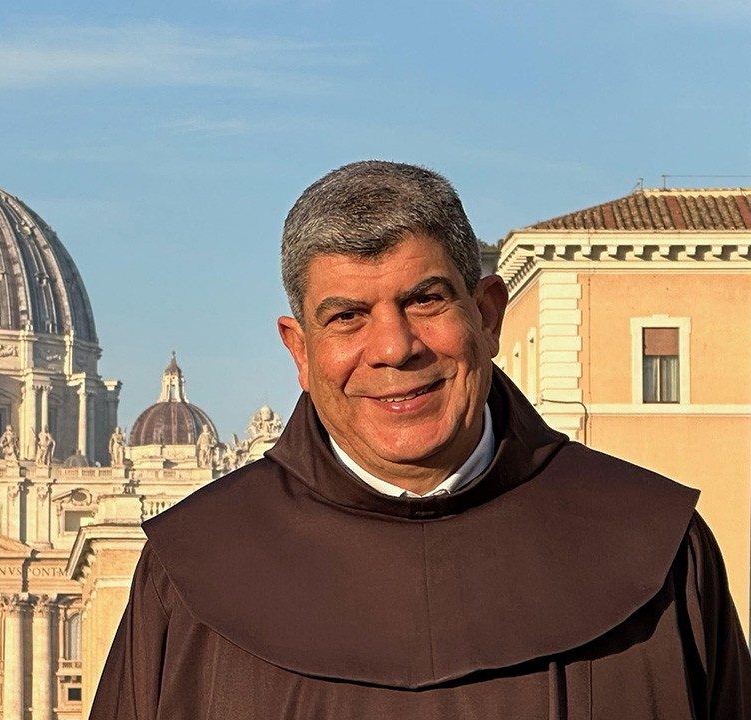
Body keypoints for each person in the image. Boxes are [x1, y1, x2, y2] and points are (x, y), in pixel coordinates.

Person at [90, 161, 750, 718]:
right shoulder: (188, 573)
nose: (394, 347)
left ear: (487, 316)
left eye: (425, 301)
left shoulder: (659, 549)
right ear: (300, 351)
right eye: (347, 316)